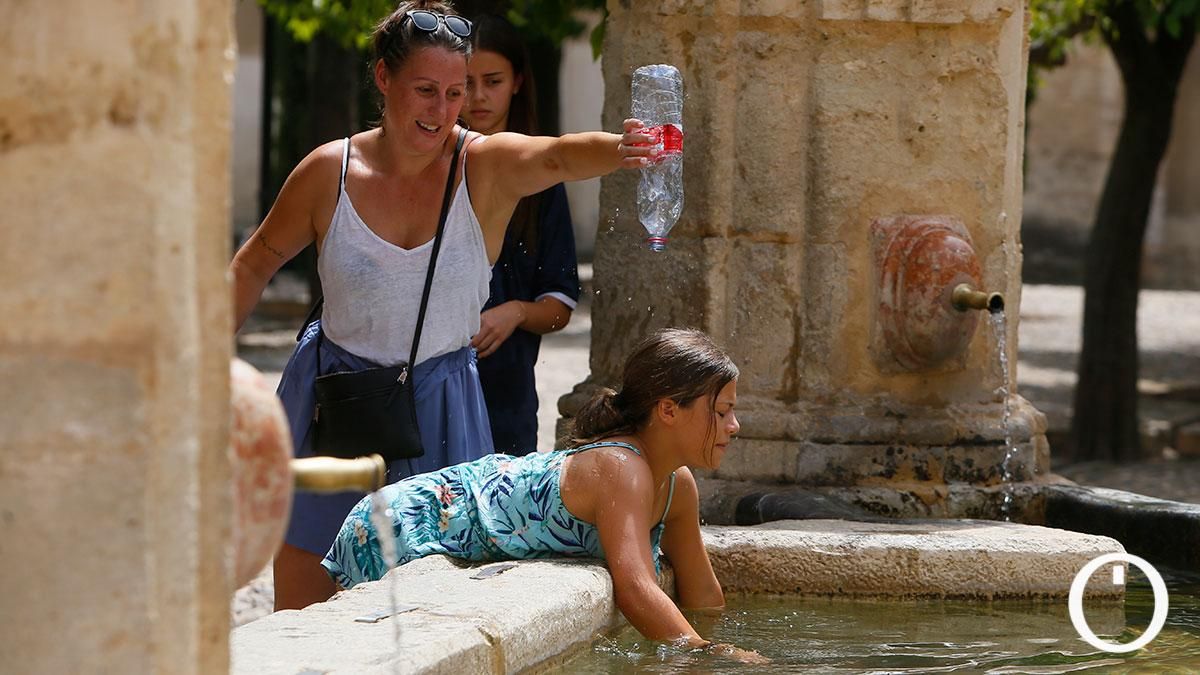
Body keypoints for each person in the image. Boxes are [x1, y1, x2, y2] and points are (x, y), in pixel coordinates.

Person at [228, 0, 654, 610]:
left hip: (442, 405)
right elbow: (254, 262)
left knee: (436, 606)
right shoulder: (329, 171)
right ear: (383, 78)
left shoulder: (483, 167)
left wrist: (622, 148)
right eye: (425, 90)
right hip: (331, 398)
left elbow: (558, 155)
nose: (443, 110)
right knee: (305, 594)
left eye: (454, 93)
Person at [324, 329, 766, 662]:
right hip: (411, 519)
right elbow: (635, 588)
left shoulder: (677, 485)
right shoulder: (621, 467)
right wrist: (707, 657)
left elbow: (704, 596)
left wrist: (726, 642)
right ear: (668, 410)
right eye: (723, 411)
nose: (734, 426)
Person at [463, 14, 580, 456]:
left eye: (492, 81)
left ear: (517, 81)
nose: (477, 97)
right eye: (465, 82)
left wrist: (512, 312)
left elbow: (560, 305)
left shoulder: (542, 180)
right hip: (423, 388)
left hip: (505, 395)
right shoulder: (426, 170)